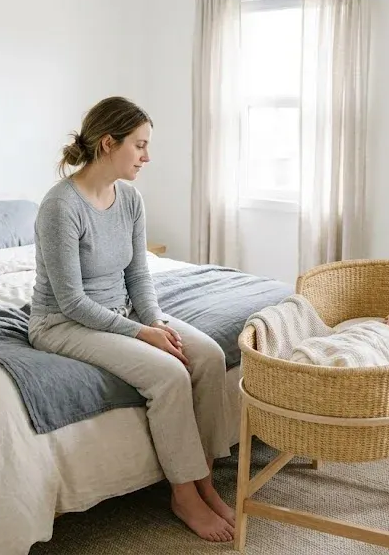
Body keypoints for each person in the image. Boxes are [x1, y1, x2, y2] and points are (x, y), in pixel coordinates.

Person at [27, 96, 235, 542]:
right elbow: (71, 302)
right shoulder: (60, 207)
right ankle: (183, 495)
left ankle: (205, 481)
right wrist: (143, 334)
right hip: (63, 323)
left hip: (122, 312)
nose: (147, 156)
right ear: (108, 143)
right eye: (139, 146)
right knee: (168, 375)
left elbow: (138, 273)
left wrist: (156, 322)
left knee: (210, 356)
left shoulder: (131, 199)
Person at [289, 307, 389, 368]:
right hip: (350, 342)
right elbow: (348, 334)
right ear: (388, 318)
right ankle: (307, 363)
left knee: (359, 355)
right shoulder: (371, 325)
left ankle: (343, 367)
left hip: (365, 352)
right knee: (315, 346)